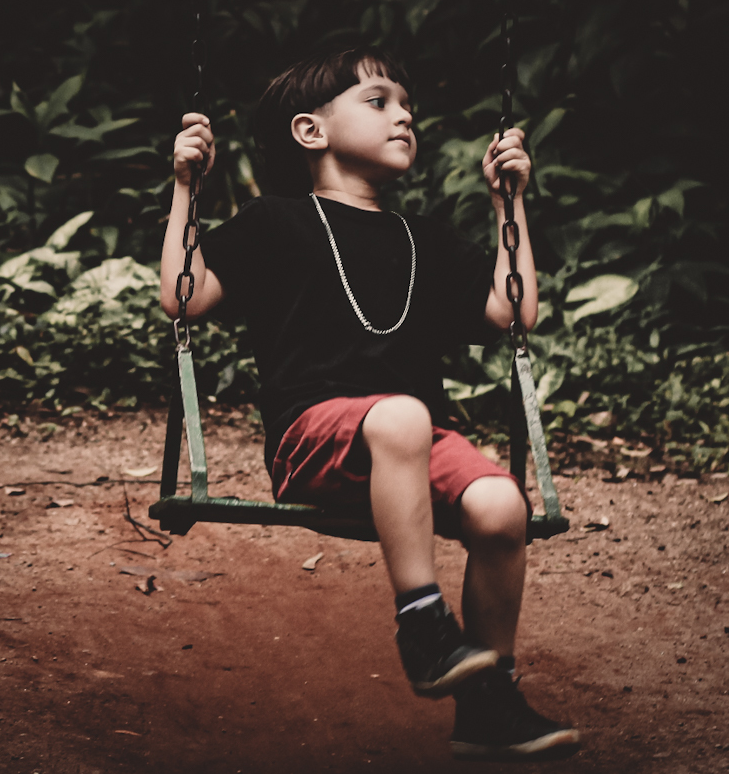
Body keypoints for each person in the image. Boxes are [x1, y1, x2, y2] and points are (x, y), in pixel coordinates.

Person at [160, 46, 579, 759]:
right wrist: (184, 187)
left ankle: (488, 703)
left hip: (410, 447)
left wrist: (508, 202)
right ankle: (423, 624)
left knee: (503, 504)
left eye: (407, 105)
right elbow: (182, 298)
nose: (405, 115)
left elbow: (513, 315)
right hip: (315, 439)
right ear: (310, 132)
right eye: (379, 101)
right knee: (402, 416)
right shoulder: (275, 224)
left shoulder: (424, 239)